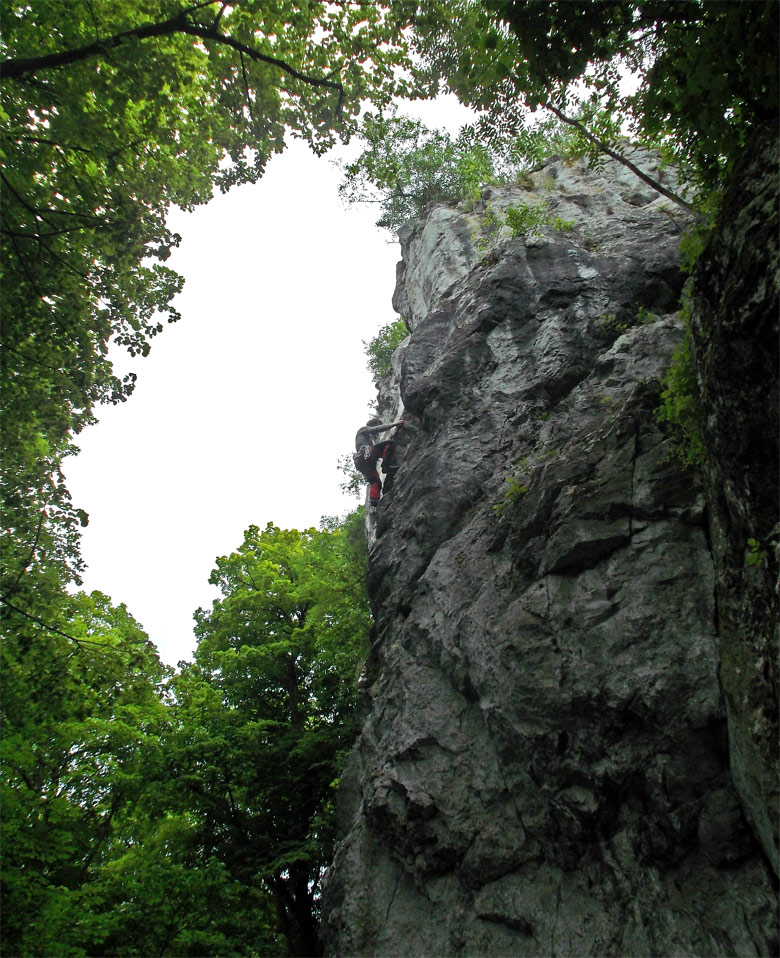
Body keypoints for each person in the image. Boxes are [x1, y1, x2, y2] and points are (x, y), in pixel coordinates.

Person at [354, 417, 405, 506]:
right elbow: (377, 429)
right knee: (390, 443)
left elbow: (379, 453)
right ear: (372, 425)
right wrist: (394, 424)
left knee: (375, 481)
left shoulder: (366, 439)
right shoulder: (363, 430)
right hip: (365, 455)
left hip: (363, 463)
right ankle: (386, 466)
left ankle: (374, 500)